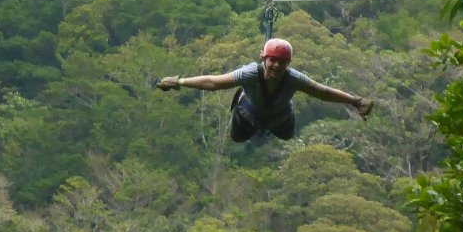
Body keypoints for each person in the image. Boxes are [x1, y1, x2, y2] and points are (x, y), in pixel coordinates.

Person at [157, 38, 374, 142]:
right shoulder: (250, 73)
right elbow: (214, 82)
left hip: (280, 117)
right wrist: (180, 81)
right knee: (237, 137)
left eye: (282, 62)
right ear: (264, 59)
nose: (276, 66)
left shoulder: (294, 79)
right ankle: (244, 109)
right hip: (248, 113)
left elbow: (322, 91)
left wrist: (355, 101)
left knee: (287, 136)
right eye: (273, 61)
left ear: (288, 63)